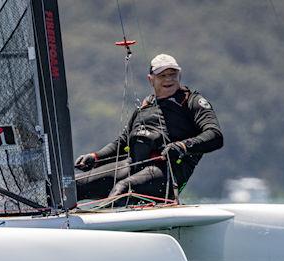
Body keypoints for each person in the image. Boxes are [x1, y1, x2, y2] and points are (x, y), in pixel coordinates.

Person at [74, 53, 223, 202]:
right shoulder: (145, 107)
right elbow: (123, 142)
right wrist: (96, 156)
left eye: (173, 74)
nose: (168, 79)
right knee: (74, 185)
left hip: (166, 172)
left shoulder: (192, 101)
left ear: (180, 75)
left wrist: (183, 146)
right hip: (133, 165)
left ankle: (105, 222)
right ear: (151, 79)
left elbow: (215, 135)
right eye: (162, 75)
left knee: (123, 188)